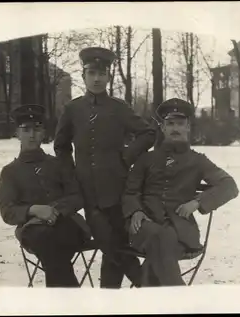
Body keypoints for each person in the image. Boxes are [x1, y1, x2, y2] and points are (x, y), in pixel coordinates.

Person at [54, 47, 156, 288]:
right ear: (83, 77)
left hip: (117, 190)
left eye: (102, 73)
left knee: (115, 244)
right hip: (87, 192)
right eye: (91, 73)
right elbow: (61, 146)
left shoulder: (118, 108)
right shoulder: (73, 109)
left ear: (108, 76)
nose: (97, 78)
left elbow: (148, 133)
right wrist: (70, 175)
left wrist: (125, 157)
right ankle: (149, 285)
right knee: (109, 242)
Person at [122, 98, 239, 287]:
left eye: (180, 124)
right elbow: (130, 191)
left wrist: (198, 202)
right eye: (170, 124)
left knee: (161, 244)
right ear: (162, 128)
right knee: (159, 239)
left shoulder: (198, 161)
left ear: (188, 127)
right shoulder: (146, 159)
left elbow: (229, 185)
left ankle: (150, 296)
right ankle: (181, 298)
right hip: (144, 226)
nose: (175, 128)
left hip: (180, 231)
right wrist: (136, 211)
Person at [0, 104, 90, 288]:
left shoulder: (58, 164)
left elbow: (77, 196)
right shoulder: (10, 172)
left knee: (54, 244)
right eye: (26, 129)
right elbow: (8, 212)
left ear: (43, 133)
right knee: (49, 242)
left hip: (67, 223)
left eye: (37, 129)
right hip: (33, 231)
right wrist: (35, 210)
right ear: (17, 133)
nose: (32, 135)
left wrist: (54, 211)